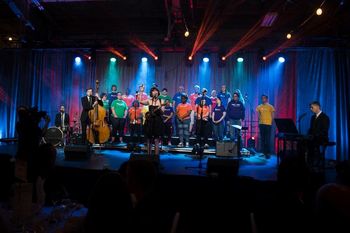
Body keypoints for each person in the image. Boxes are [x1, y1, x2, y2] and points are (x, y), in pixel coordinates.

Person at [139, 87, 163, 157]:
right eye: (153, 91)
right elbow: (140, 101)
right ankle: (148, 156)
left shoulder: (161, 101)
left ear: (158, 93)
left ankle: (156, 156)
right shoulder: (149, 101)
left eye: (156, 91)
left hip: (157, 121)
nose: (155, 92)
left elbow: (162, 112)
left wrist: (159, 109)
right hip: (150, 121)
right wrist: (141, 93)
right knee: (149, 139)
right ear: (151, 93)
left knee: (156, 139)